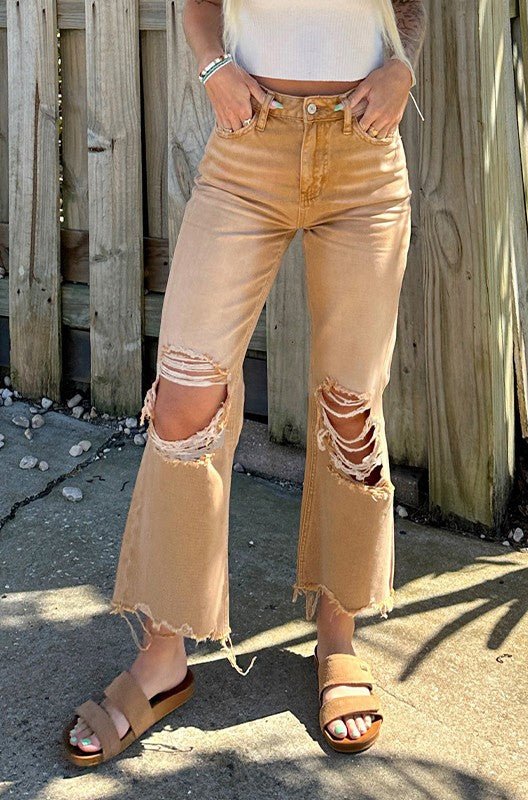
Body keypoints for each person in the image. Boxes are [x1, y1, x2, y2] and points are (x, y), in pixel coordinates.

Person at [64, 0, 427, 765]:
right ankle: (162, 659)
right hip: (248, 150)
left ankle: (337, 638)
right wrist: (213, 67)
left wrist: (403, 66)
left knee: (350, 405)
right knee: (183, 400)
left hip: (363, 155)